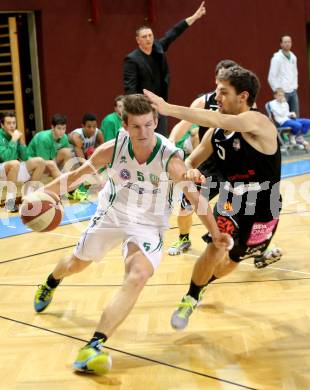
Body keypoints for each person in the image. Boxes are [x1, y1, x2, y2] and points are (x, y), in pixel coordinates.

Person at [32, 94, 232, 374]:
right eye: (137, 127)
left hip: (148, 223)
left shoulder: (169, 155)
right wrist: (45, 193)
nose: (144, 133)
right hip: (113, 214)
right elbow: (78, 176)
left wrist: (215, 233)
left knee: (138, 275)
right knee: (76, 264)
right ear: (125, 126)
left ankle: (94, 344)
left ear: (156, 122)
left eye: (149, 125)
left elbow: (194, 196)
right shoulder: (113, 148)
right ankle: (51, 281)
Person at [144, 65, 282, 330]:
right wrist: (190, 170)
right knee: (218, 246)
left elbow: (218, 119)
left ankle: (204, 283)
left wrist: (169, 108)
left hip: (265, 205)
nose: (215, 98)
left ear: (243, 96)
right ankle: (191, 297)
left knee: (234, 259)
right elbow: (192, 159)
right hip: (232, 200)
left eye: (222, 92)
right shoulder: (216, 133)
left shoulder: (258, 122)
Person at [167, 60, 282, 269]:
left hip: (234, 170)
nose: (221, 92)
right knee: (186, 205)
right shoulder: (203, 102)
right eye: (220, 84)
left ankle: (256, 249)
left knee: (250, 206)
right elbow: (186, 126)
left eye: (226, 87)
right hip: (210, 165)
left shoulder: (244, 110)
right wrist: (172, 143)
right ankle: (184, 237)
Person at [123, 1, 206, 136]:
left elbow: (174, 32)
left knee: (161, 137)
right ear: (138, 40)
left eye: (150, 35)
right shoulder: (132, 59)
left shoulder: (158, 48)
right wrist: (135, 109)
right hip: (143, 106)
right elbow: (130, 88)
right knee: (146, 137)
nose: (148, 39)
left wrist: (195, 16)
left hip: (160, 104)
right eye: (144, 37)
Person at [0, 112, 45, 211]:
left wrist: (21, 142)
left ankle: (28, 197)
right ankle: (9, 203)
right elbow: (6, 158)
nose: (12, 126)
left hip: (13, 168)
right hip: (2, 169)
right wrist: (13, 140)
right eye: (8, 123)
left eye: (13, 123)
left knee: (40, 161)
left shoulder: (16, 136)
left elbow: (25, 158)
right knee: (15, 163)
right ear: (2, 125)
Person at [69, 113, 104, 200]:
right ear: (83, 126)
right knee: (81, 167)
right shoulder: (77, 136)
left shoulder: (98, 133)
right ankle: (74, 190)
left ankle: (95, 185)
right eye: (89, 126)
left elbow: (103, 152)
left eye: (94, 126)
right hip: (71, 160)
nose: (92, 129)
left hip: (85, 156)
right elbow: (81, 161)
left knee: (101, 162)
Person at [28, 114, 72, 178]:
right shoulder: (43, 138)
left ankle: (67, 177)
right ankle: (64, 182)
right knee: (51, 164)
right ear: (52, 127)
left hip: (51, 162)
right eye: (59, 128)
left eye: (64, 128)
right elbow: (43, 161)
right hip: (34, 166)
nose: (62, 131)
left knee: (68, 152)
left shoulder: (64, 137)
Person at [268, 35, 299, 116]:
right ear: (281, 44)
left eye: (289, 42)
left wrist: (295, 86)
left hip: (293, 91)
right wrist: (277, 90)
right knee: (283, 116)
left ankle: (297, 129)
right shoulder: (276, 58)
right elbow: (271, 77)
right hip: (282, 92)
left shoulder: (293, 57)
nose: (287, 44)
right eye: (285, 42)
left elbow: (295, 72)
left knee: (295, 115)